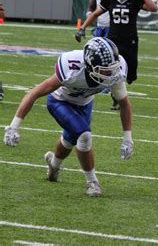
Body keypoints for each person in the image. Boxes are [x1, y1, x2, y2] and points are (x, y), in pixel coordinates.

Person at [3, 37, 134, 197]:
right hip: (60, 102)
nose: (111, 73)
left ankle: (54, 164)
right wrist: (14, 126)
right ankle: (92, 182)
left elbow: (124, 103)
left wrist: (128, 138)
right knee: (84, 136)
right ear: (89, 65)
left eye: (112, 68)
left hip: (85, 104)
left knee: (69, 140)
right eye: (105, 70)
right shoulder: (72, 67)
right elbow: (35, 93)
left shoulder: (115, 70)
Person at [75, 0, 158, 110]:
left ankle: (124, 85)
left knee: (131, 74)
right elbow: (95, 13)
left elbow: (153, 8)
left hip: (130, 39)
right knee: (114, 70)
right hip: (113, 39)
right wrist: (82, 28)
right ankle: (116, 100)